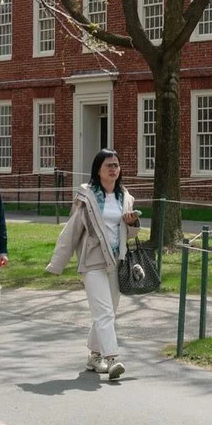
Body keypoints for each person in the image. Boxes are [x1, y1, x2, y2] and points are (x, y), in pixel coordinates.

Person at [46, 148, 141, 381]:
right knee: (104, 312)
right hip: (92, 261)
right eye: (108, 165)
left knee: (108, 312)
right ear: (97, 170)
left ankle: (94, 355)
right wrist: (57, 263)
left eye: (116, 165)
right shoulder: (86, 197)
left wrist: (133, 222)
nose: (113, 169)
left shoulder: (125, 197)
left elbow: (129, 234)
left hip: (116, 261)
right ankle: (111, 359)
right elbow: (72, 230)